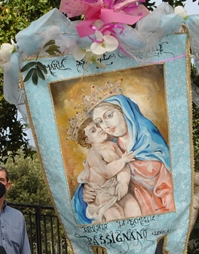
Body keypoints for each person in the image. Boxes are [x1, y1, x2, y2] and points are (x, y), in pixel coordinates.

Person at [72, 94, 175, 223]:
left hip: (158, 211)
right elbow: (99, 174)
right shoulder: (110, 144)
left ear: (124, 110)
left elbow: (171, 184)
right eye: (99, 122)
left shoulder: (148, 139)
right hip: (114, 200)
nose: (106, 125)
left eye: (109, 115)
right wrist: (87, 192)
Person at [73, 120, 140, 223]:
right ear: (87, 140)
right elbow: (106, 171)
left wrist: (124, 183)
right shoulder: (93, 153)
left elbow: (124, 166)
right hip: (102, 197)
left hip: (118, 190)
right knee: (114, 216)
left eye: (98, 126)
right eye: (93, 130)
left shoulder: (112, 145)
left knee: (133, 207)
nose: (100, 130)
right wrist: (122, 160)